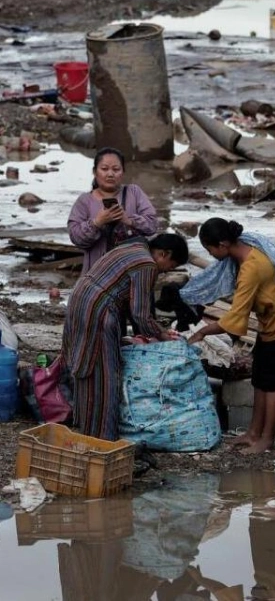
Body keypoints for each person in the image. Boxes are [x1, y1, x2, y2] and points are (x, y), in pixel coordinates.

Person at [182, 218, 275, 455]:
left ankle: (266, 440)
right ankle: (253, 433)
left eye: (210, 249)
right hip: (274, 313)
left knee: (271, 382)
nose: (211, 255)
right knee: (259, 377)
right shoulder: (248, 245)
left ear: (222, 244)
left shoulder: (250, 269)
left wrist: (201, 332)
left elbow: (235, 320)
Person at [62, 233, 189, 441]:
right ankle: (103, 438)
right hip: (98, 309)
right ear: (164, 254)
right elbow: (140, 313)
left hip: (80, 299)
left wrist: (147, 330)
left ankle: (85, 428)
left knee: (85, 365)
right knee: (106, 374)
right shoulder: (147, 264)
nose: (167, 270)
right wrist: (162, 335)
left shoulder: (132, 247)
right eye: (171, 265)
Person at [68, 147, 158, 275]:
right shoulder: (84, 200)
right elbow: (75, 237)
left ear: (123, 172)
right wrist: (97, 222)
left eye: (116, 169)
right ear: (94, 172)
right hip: (95, 274)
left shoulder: (134, 192)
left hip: (130, 272)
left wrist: (129, 220)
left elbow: (153, 224)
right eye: (104, 169)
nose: (110, 174)